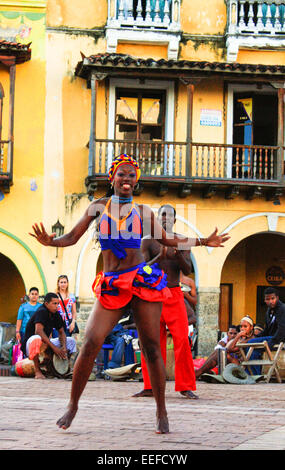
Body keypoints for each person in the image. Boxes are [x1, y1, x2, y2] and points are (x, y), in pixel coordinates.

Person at [30, 153, 229, 434]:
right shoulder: (98, 207)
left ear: (136, 181)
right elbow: (72, 237)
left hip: (141, 280)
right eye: (121, 174)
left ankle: (161, 410)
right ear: (113, 177)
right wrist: (52, 241)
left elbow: (168, 239)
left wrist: (201, 240)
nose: (127, 179)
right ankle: (73, 405)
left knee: (151, 346)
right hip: (112, 282)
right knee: (90, 342)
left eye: (132, 175)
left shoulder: (144, 212)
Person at [133, 204, 198, 400]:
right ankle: (149, 385)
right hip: (153, 295)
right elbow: (142, 270)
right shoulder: (148, 241)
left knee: (182, 341)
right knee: (151, 341)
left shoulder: (182, 241)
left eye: (169, 216)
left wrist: (178, 254)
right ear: (156, 218)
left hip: (175, 294)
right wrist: (158, 258)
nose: (165, 218)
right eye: (162, 215)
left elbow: (187, 271)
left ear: (174, 220)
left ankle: (185, 386)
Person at [21, 293, 77, 379]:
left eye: (58, 303)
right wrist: (55, 348)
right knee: (37, 338)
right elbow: (38, 331)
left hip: (45, 343)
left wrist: (64, 347)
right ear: (46, 304)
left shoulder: (55, 314)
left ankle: (65, 369)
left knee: (71, 341)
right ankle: (37, 371)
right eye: (54, 303)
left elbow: (61, 332)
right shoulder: (41, 311)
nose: (57, 306)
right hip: (31, 345)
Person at [245, 287, 285, 373]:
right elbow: (266, 330)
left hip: (279, 339)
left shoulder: (283, 309)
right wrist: (255, 336)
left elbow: (282, 329)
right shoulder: (268, 311)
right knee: (251, 343)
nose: (270, 301)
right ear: (264, 300)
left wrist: (271, 342)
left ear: (277, 298)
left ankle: (252, 373)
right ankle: (255, 374)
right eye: (267, 299)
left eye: (272, 298)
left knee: (251, 343)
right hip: (270, 337)